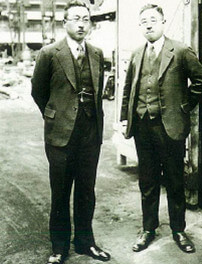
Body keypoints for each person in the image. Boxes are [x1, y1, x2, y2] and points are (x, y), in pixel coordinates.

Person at [120, 3, 202, 254]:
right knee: (147, 181)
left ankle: (179, 230)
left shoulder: (180, 50)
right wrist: (125, 117)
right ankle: (148, 229)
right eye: (144, 21)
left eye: (153, 20)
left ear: (162, 22)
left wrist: (184, 106)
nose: (148, 24)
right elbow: (129, 88)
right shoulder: (137, 53)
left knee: (174, 180)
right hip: (142, 127)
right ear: (141, 26)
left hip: (170, 127)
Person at [31, 1, 110, 263]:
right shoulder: (49, 53)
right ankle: (59, 247)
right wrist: (55, 115)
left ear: (90, 23)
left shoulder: (97, 53)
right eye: (75, 18)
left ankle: (85, 242)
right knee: (61, 192)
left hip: (90, 134)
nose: (81, 24)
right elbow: (38, 92)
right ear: (64, 23)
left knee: (87, 191)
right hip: (60, 135)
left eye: (85, 19)